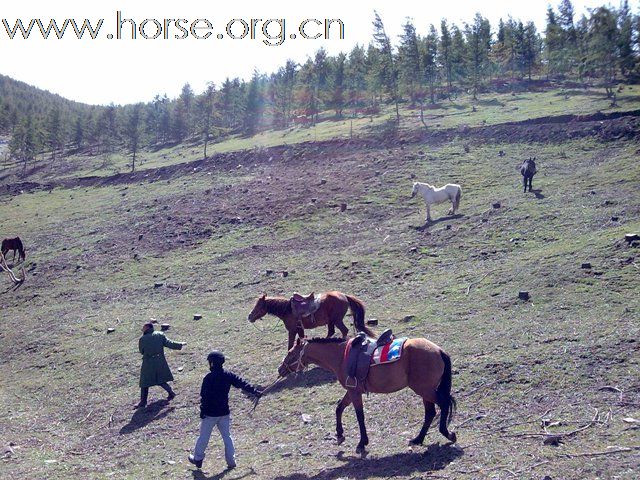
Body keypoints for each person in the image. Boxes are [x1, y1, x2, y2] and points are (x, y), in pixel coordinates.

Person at [188, 350, 262, 470]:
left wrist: (203, 410)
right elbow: (241, 383)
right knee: (227, 437)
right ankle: (231, 461)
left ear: (212, 363)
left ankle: (198, 459)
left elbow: (204, 396)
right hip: (224, 412)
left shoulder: (208, 378)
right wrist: (254, 391)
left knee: (203, 437)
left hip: (210, 414)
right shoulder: (228, 375)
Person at [135, 322, 186, 409]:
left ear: (147, 327)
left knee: (144, 382)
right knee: (160, 379)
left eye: (143, 327)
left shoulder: (143, 339)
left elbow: (142, 351)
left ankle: (143, 402)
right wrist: (180, 344)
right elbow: (169, 343)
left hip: (148, 362)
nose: (142, 329)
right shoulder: (160, 335)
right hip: (160, 360)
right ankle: (171, 393)